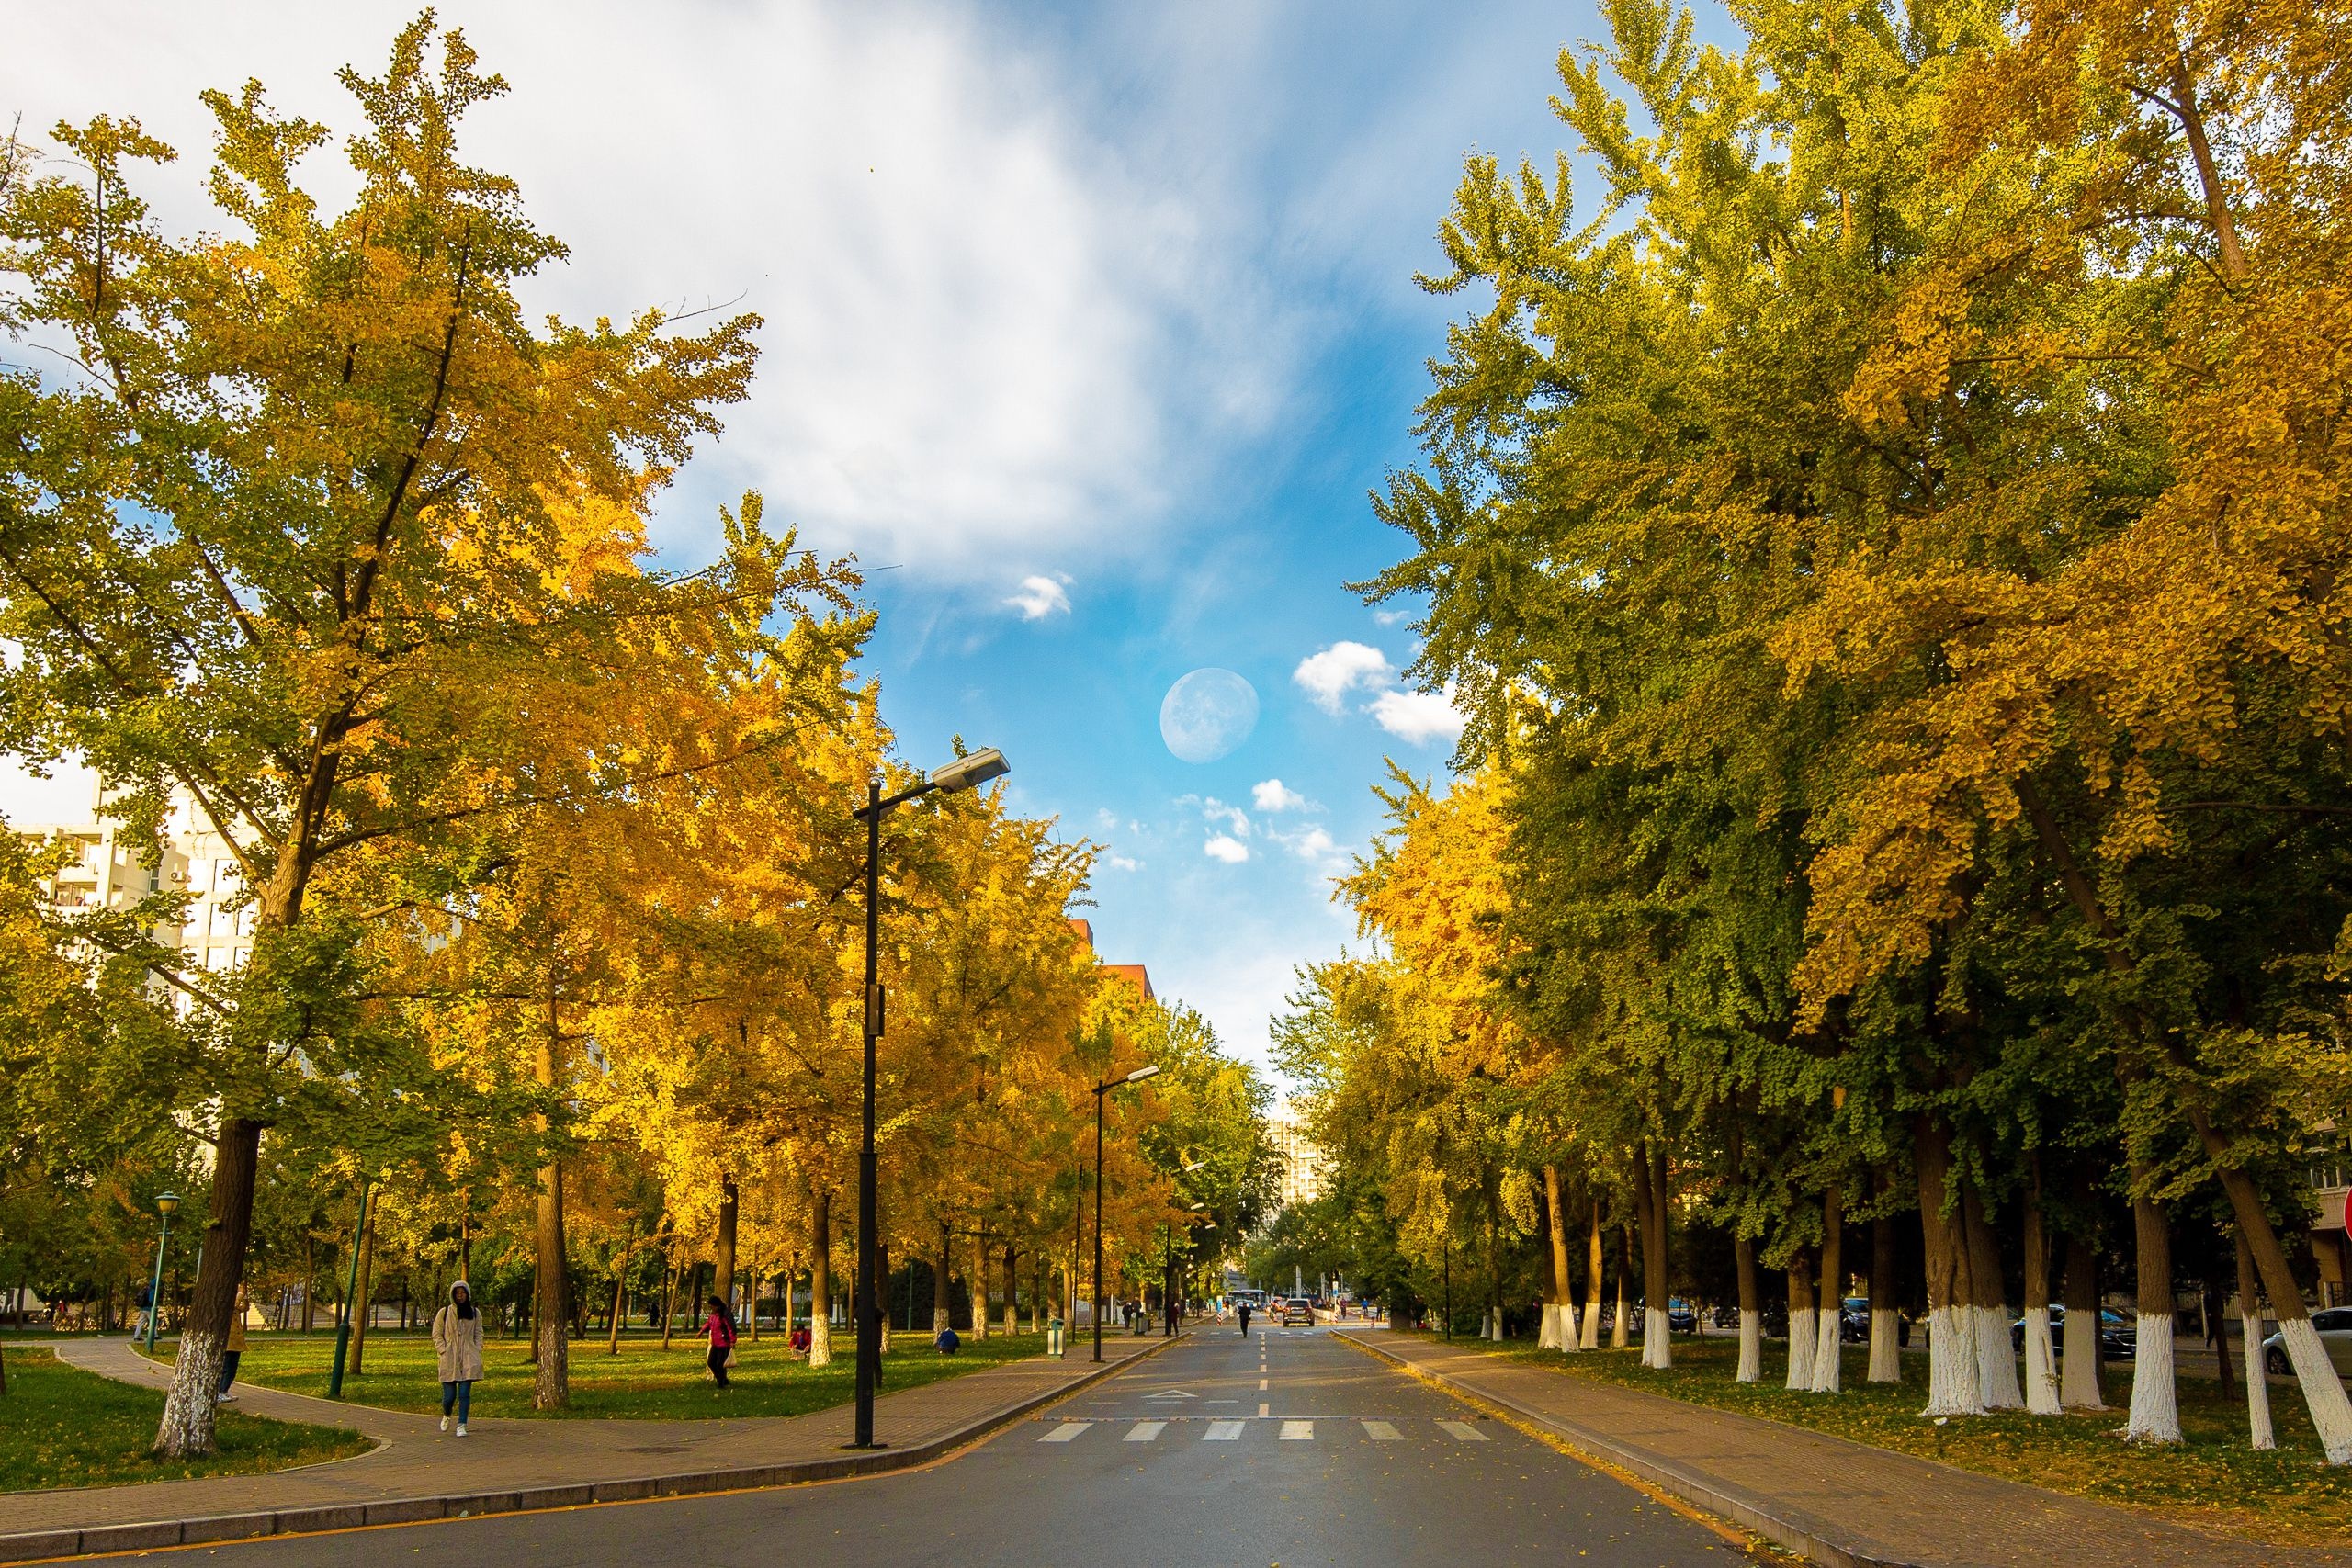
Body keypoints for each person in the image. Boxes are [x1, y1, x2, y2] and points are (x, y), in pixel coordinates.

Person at [433, 1280, 484, 1436]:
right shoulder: (445, 1312)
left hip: (469, 1358)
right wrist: (443, 1350)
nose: (460, 1296)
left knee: (464, 1393)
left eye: (463, 1293)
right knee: (449, 1397)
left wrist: (477, 1348)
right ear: (453, 1295)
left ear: (467, 1294)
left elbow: (478, 1333)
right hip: (449, 1358)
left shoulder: (475, 1312)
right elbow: (436, 1333)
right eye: (457, 1293)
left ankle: (462, 1424)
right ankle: (447, 1414)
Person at [216, 1287, 248, 1402]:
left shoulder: (235, 1305)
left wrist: (245, 1296)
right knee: (226, 1367)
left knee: (233, 1368)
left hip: (236, 1341)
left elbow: (244, 1308)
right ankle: (220, 1391)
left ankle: (224, 1390)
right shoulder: (224, 1304)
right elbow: (233, 1305)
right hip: (228, 1341)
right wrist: (240, 1294)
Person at [702, 1294, 735, 1389]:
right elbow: (709, 1323)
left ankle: (721, 1383)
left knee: (720, 1364)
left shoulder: (725, 1314)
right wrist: (701, 1332)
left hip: (724, 1343)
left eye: (712, 1306)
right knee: (711, 1362)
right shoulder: (713, 1315)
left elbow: (731, 1328)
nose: (711, 1308)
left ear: (717, 1305)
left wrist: (732, 1341)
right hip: (715, 1343)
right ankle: (723, 1379)